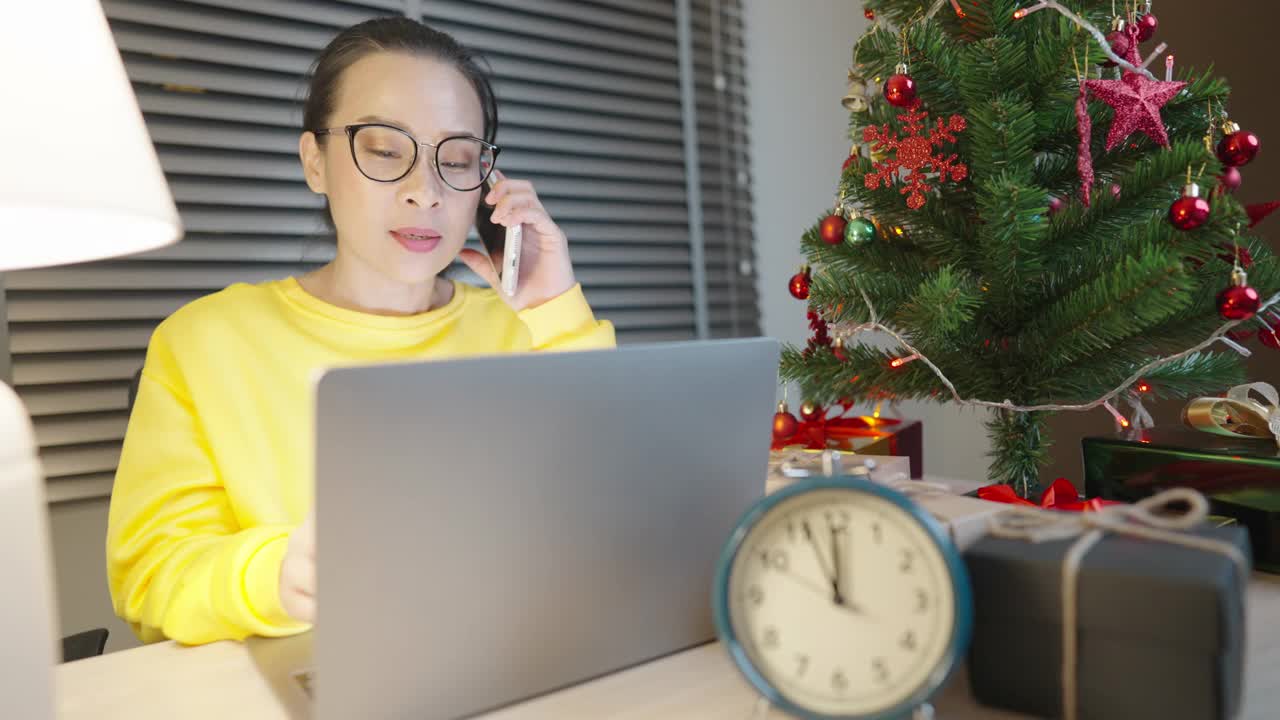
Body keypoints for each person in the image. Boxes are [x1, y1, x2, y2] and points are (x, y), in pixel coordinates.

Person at [106, 17, 615, 646]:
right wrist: (276, 578)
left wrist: (556, 309)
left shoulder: (527, 332)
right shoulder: (204, 343)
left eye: (456, 159)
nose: (424, 192)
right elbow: (151, 578)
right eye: (383, 150)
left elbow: (617, 522)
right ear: (315, 162)